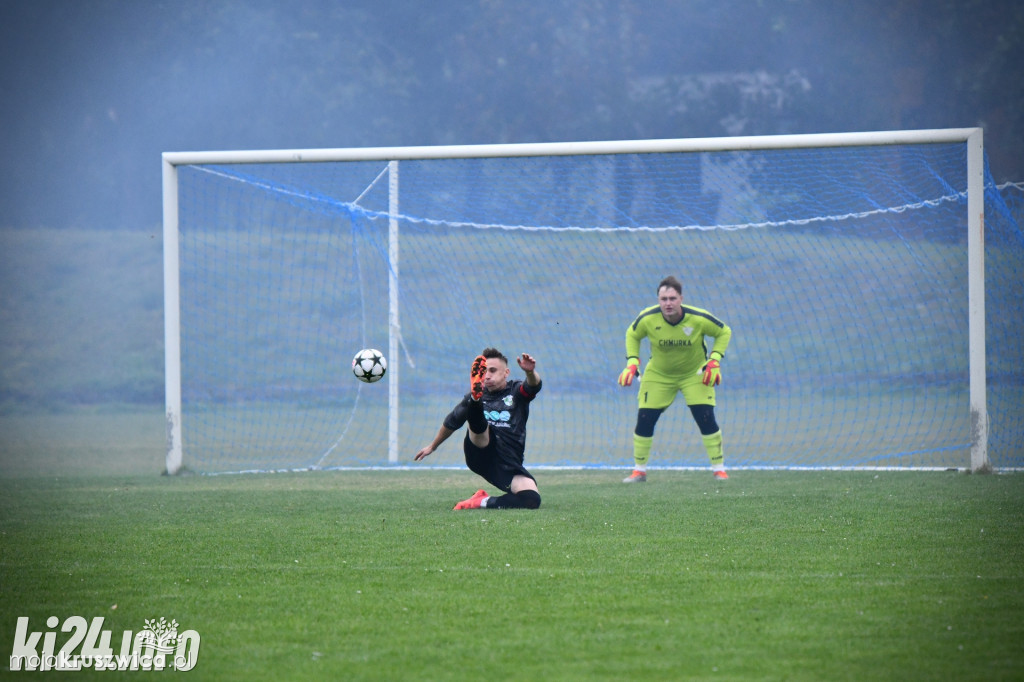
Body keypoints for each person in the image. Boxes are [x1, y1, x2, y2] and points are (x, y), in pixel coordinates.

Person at [617, 276, 733, 482]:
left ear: (681, 299)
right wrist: (632, 361)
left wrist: (714, 360)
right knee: (645, 418)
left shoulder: (698, 318)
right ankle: (639, 471)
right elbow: (632, 334)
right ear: (658, 300)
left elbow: (724, 331)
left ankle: (719, 469)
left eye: (672, 298)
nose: (668, 303)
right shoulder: (648, 318)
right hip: (659, 375)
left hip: (694, 374)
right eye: (663, 299)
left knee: (705, 417)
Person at [414, 348, 542, 509]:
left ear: (506, 373)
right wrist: (433, 446)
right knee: (479, 422)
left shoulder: (516, 392)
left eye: (492, 370)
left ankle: (481, 501)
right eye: (483, 371)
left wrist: (530, 373)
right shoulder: (475, 396)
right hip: (480, 453)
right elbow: (453, 420)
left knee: (531, 500)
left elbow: (533, 386)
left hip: (507, 463)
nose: (487, 375)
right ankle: (476, 401)